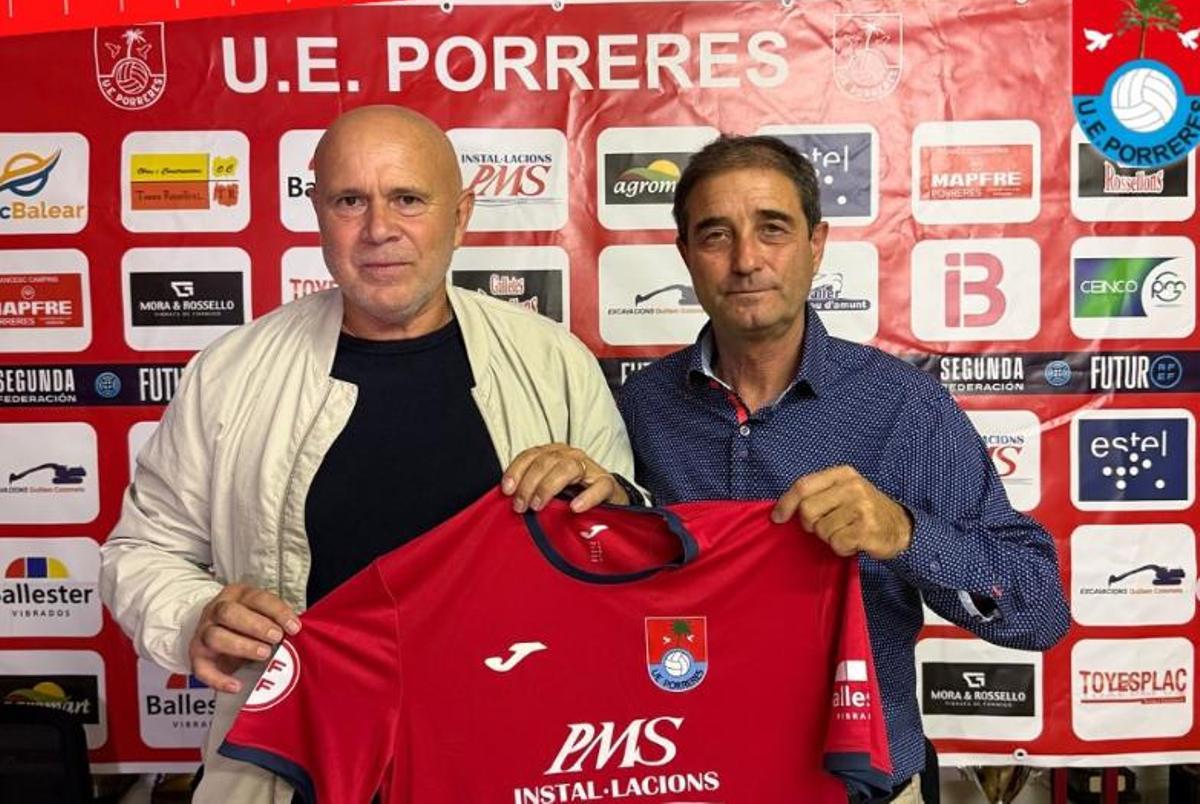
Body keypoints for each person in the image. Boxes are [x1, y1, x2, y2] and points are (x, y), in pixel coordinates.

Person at [99, 105, 638, 802]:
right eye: (350, 200)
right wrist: (193, 615)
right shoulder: (231, 372)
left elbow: (631, 558)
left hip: (514, 759)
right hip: (293, 765)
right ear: (318, 212)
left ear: (461, 214)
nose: (379, 228)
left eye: (408, 199)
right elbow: (140, 551)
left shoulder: (551, 362)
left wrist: (614, 501)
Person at [521, 134, 1070, 804]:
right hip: (684, 780)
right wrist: (587, 515)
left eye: (772, 229)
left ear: (817, 244)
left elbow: (1039, 612)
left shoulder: (902, 407)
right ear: (686, 255)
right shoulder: (637, 409)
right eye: (716, 234)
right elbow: (590, 607)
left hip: (861, 787)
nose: (746, 260)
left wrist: (904, 534)